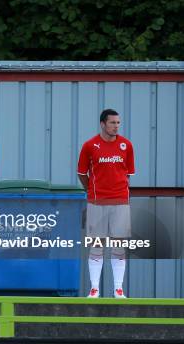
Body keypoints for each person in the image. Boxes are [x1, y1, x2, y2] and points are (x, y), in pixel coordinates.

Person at [78, 109, 135, 298]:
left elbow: (127, 174)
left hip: (120, 201)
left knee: (119, 245)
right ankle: (94, 289)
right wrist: (93, 191)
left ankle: (118, 289)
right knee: (97, 244)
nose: (116, 126)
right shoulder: (89, 145)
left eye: (118, 123)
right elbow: (81, 173)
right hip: (97, 201)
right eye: (112, 123)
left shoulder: (127, 145)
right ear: (103, 124)